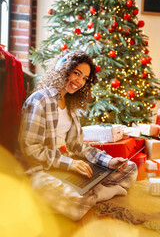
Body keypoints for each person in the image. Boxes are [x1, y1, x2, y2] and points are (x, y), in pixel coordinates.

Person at [18, 50, 137, 221]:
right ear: (63, 69)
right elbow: (31, 150)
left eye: (85, 78)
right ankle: (100, 191)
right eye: (76, 73)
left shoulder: (71, 105)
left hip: (70, 167)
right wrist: (69, 163)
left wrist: (108, 161)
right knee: (76, 204)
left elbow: (79, 145)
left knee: (129, 169)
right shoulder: (40, 100)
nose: (80, 81)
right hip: (41, 171)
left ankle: (89, 190)